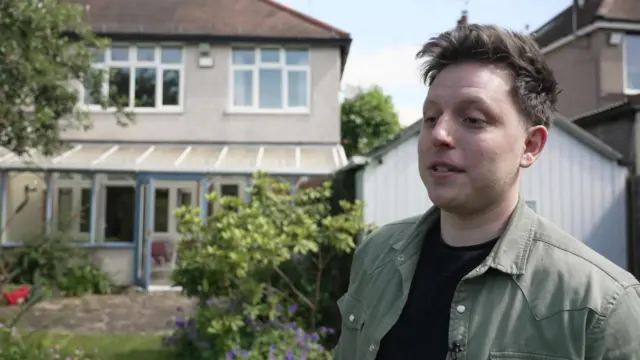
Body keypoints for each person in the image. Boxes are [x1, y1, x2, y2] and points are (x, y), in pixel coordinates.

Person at [332, 23, 640, 360]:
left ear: (531, 146)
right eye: (431, 118)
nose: (440, 135)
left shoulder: (600, 303)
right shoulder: (376, 256)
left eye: (473, 119)